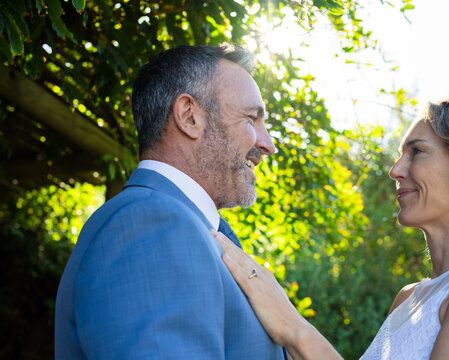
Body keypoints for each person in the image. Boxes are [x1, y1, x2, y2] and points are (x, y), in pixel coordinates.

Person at [212, 96, 449, 360]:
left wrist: (296, 330)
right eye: (401, 155)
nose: (396, 170)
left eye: (417, 152)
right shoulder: (408, 299)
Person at [55, 44, 288, 359]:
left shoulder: (183, 226)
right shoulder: (148, 223)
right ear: (189, 117)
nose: (268, 144)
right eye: (251, 118)